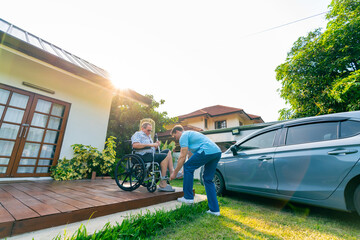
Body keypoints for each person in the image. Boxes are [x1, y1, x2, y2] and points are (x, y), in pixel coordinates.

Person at [169, 125, 222, 216]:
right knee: (208, 179)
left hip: (207, 151)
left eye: (174, 136)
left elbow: (182, 157)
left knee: (188, 167)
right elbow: (190, 156)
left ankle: (188, 197)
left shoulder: (183, 136)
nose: (176, 139)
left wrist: (174, 172)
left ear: (177, 132)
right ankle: (215, 210)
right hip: (216, 152)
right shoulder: (191, 135)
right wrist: (185, 171)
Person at [131, 122, 180, 192]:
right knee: (164, 156)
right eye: (148, 130)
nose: (149, 132)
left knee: (168, 152)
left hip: (151, 154)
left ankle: (172, 171)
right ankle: (163, 183)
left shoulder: (148, 136)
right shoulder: (138, 134)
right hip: (142, 156)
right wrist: (151, 145)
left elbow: (151, 148)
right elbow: (135, 145)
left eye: (150, 130)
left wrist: (156, 145)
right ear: (142, 128)